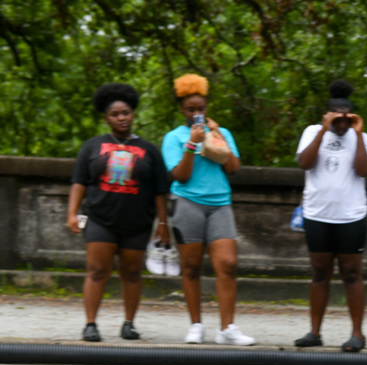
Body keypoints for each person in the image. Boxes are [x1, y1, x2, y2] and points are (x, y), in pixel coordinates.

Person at [66, 83, 170, 342]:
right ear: (106, 118)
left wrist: (163, 223)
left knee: (132, 273)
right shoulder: (92, 146)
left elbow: (160, 190)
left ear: (133, 114)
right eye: (115, 114)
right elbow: (79, 182)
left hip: (137, 222)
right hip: (100, 218)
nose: (122, 118)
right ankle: (90, 324)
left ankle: (129, 323)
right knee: (97, 270)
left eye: (126, 113)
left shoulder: (149, 150)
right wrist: (71, 214)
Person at [161, 74, 254, 345]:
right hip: (187, 203)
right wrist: (192, 143)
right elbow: (180, 176)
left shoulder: (221, 133)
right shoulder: (173, 138)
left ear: (207, 108)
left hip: (219, 204)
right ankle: (196, 325)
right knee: (190, 267)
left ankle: (227, 329)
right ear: (182, 110)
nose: (196, 114)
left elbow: (233, 168)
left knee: (227, 264)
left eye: (200, 109)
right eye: (191, 110)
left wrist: (215, 136)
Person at [293, 80, 367, 352]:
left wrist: (359, 133)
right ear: (326, 116)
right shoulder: (312, 132)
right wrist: (323, 131)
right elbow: (304, 163)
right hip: (317, 214)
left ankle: (357, 334)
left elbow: (363, 170)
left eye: (346, 119)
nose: (342, 125)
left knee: (352, 274)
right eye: (336, 118)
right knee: (319, 273)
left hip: (351, 216)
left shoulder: (360, 137)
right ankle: (314, 332)